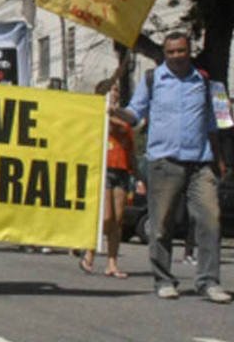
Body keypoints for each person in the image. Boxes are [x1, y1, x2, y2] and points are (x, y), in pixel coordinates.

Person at [111, 32, 231, 303]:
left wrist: (220, 158)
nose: (176, 56)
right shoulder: (153, 80)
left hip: (201, 164)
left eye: (181, 51)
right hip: (164, 163)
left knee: (210, 221)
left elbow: (216, 123)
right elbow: (134, 114)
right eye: (171, 52)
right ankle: (164, 280)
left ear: (190, 51)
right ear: (165, 54)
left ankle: (209, 282)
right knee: (162, 224)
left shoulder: (206, 80)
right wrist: (113, 110)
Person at [79, 81, 131, 278]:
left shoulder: (124, 114)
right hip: (104, 168)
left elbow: (130, 139)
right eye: (114, 89)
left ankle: (112, 263)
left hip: (122, 168)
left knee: (118, 219)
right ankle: (89, 252)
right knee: (106, 217)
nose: (117, 93)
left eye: (118, 89)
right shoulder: (96, 112)